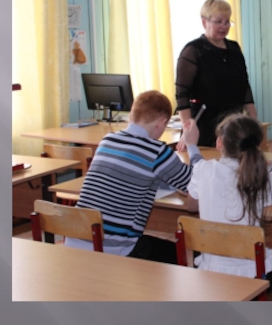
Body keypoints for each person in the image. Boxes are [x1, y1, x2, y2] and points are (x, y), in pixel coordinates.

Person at [64, 90, 203, 263]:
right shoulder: (157, 151)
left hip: (75, 242)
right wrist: (192, 145)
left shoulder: (107, 140)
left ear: (131, 115)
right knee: (185, 254)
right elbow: (200, 183)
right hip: (113, 251)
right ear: (161, 123)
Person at [185, 113, 272, 292]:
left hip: (212, 275)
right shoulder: (260, 177)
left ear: (219, 143)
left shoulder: (204, 169)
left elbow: (191, 206)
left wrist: (191, 146)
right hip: (255, 277)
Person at [175, 0, 257, 150]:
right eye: (218, 21)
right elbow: (182, 95)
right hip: (204, 124)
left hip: (233, 123)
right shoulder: (193, 51)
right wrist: (187, 128)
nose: (224, 26)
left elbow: (244, 85)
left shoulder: (234, 48)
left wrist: (253, 119)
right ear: (204, 22)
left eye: (227, 22)